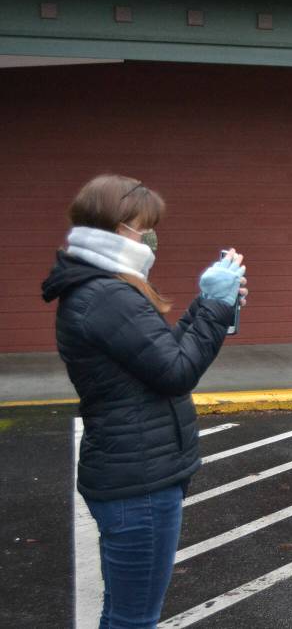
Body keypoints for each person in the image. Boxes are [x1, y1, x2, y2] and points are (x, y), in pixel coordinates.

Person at [41, 174, 247, 629]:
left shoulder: (102, 287)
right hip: (139, 482)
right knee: (134, 619)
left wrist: (208, 306)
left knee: (123, 613)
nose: (152, 238)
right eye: (144, 226)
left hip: (134, 472)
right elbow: (177, 372)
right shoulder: (105, 295)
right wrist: (214, 307)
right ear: (118, 230)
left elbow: (159, 355)